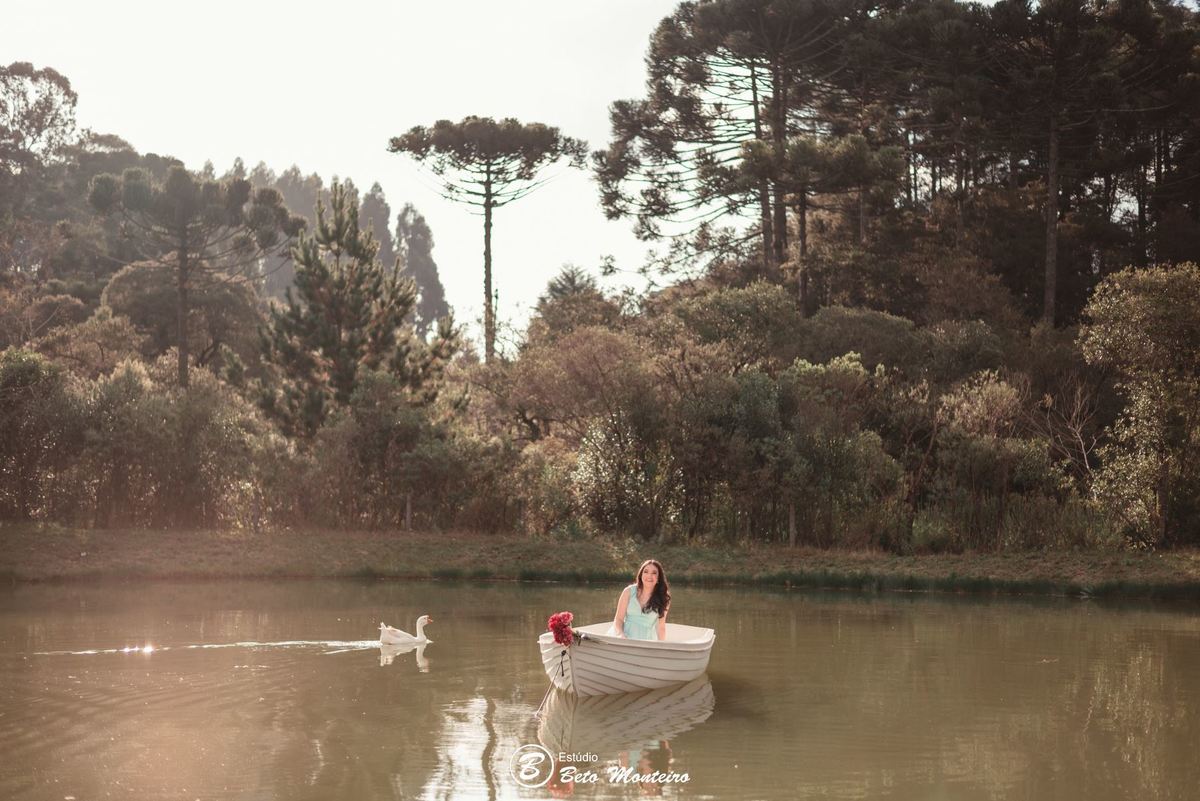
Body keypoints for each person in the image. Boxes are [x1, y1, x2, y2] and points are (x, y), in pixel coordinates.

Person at [610, 559, 671, 641]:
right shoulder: (628, 592)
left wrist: (661, 648)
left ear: (659, 578)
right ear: (641, 575)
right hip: (625, 637)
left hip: (647, 641)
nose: (649, 576)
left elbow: (661, 627)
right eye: (646, 572)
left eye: (654, 573)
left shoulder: (663, 597)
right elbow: (618, 619)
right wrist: (620, 635)